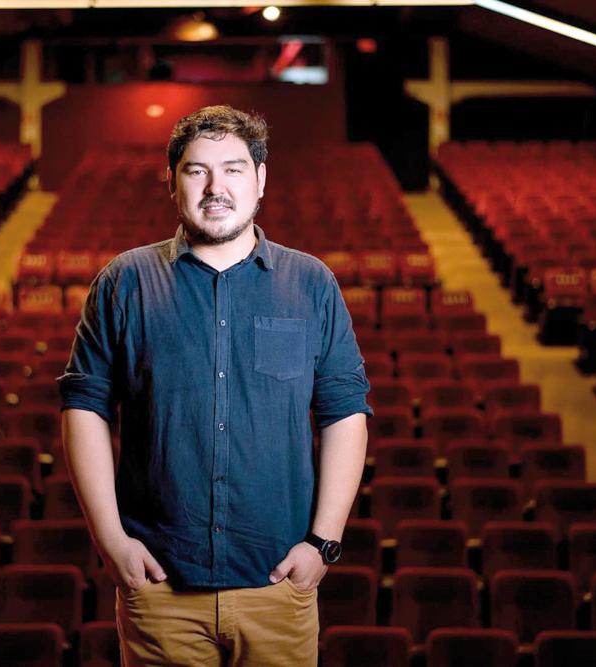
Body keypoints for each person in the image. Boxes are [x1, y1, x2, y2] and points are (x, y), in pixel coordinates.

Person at [58, 105, 371, 666]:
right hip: (160, 587)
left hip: (278, 585)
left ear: (260, 180)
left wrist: (323, 543)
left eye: (232, 169)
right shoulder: (124, 282)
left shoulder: (312, 283)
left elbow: (344, 413)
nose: (215, 187)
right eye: (197, 171)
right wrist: (111, 541)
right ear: (173, 182)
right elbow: (84, 407)